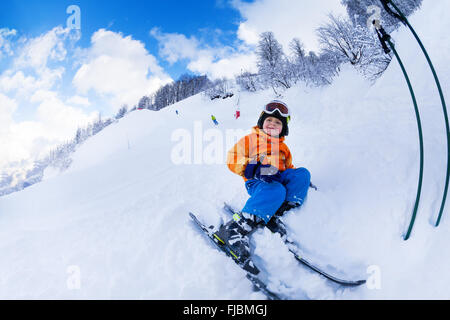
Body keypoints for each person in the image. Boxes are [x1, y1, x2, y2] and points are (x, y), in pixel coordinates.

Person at [214, 100, 311, 271]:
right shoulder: (250, 140)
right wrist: (251, 166)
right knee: (275, 190)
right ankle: (234, 229)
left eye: (278, 122)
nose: (272, 124)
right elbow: (232, 159)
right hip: (258, 182)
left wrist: (301, 180)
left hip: (277, 179)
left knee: (302, 173)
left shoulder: (284, 148)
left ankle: (278, 212)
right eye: (269, 120)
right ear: (261, 122)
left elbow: (289, 168)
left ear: (283, 129)